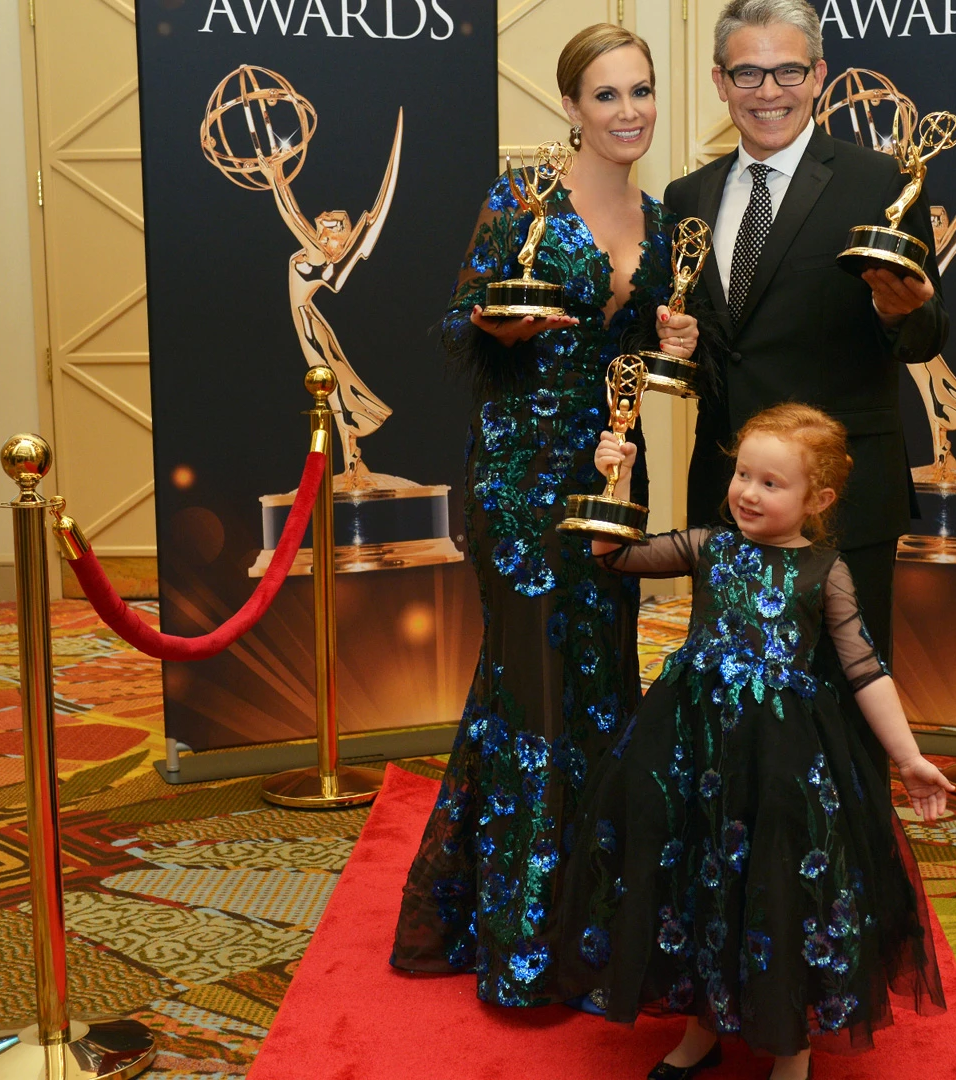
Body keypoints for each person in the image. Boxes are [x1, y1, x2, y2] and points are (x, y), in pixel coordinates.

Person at [391, 24, 703, 1007]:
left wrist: (674, 341)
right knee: (533, 686)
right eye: (606, 94)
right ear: (571, 107)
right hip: (521, 477)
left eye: (641, 91)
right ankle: (522, 944)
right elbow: (462, 320)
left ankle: (593, 918)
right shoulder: (522, 199)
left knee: (602, 678)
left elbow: (647, 357)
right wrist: (501, 323)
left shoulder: (664, 222)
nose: (628, 111)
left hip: (613, 478)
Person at [547, 404, 954, 1080]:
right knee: (697, 881)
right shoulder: (709, 545)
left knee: (776, 885)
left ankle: (791, 1048)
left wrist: (909, 758)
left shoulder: (825, 570)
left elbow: (865, 669)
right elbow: (612, 553)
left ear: (818, 500)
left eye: (771, 483)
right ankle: (700, 1028)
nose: (748, 493)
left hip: (781, 760)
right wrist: (617, 477)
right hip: (693, 748)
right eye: (742, 475)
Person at [664, 0, 950, 660]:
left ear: (819, 75)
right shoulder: (687, 198)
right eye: (748, 74)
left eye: (788, 71)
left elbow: (929, 332)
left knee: (844, 692)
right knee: (730, 688)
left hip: (840, 495)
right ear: (720, 82)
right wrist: (677, 342)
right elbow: (716, 344)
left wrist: (896, 311)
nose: (769, 92)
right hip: (729, 492)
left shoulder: (882, 183)